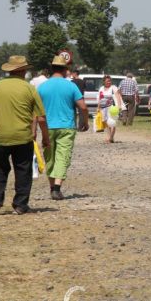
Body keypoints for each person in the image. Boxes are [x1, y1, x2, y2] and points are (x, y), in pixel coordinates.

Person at [0, 55, 50, 215]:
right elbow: (41, 117)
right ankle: (20, 205)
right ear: (23, 71)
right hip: (22, 137)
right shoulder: (29, 88)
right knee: (23, 170)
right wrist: (46, 139)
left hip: (0, 137)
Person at [37, 56, 89, 200]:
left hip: (47, 127)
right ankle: (57, 188)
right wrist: (84, 122)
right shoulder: (71, 86)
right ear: (66, 70)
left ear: (52, 69)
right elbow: (83, 107)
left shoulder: (42, 87)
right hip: (66, 127)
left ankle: (52, 187)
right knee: (62, 156)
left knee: (50, 157)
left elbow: (35, 110)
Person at [98, 75, 124, 144]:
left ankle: (111, 138)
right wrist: (98, 107)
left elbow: (118, 96)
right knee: (107, 124)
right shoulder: (101, 88)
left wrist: (119, 106)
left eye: (110, 81)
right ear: (104, 82)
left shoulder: (113, 88)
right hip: (104, 108)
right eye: (107, 81)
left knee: (112, 123)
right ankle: (109, 137)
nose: (109, 82)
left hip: (112, 108)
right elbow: (100, 98)